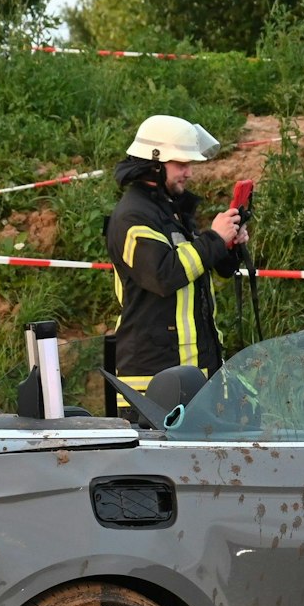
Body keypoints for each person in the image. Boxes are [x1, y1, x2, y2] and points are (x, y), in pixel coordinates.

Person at [105, 115, 241, 396]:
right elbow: (163, 275)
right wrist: (214, 238)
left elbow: (199, 267)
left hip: (190, 373)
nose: (189, 173)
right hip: (153, 383)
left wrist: (228, 245)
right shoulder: (133, 216)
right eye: (182, 164)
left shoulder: (169, 211)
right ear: (154, 165)